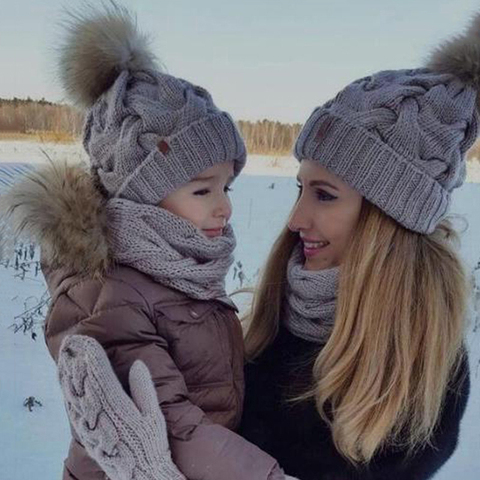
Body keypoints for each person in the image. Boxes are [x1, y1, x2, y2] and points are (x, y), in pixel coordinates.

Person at [8, 8, 478, 480]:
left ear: (389, 218)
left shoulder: (423, 375)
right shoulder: (259, 321)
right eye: (300, 188)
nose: (294, 220)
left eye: (325, 194)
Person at [0, 4, 299, 480]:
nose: (224, 207)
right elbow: (171, 428)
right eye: (202, 189)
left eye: (227, 186)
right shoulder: (107, 295)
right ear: (141, 195)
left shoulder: (174, 271)